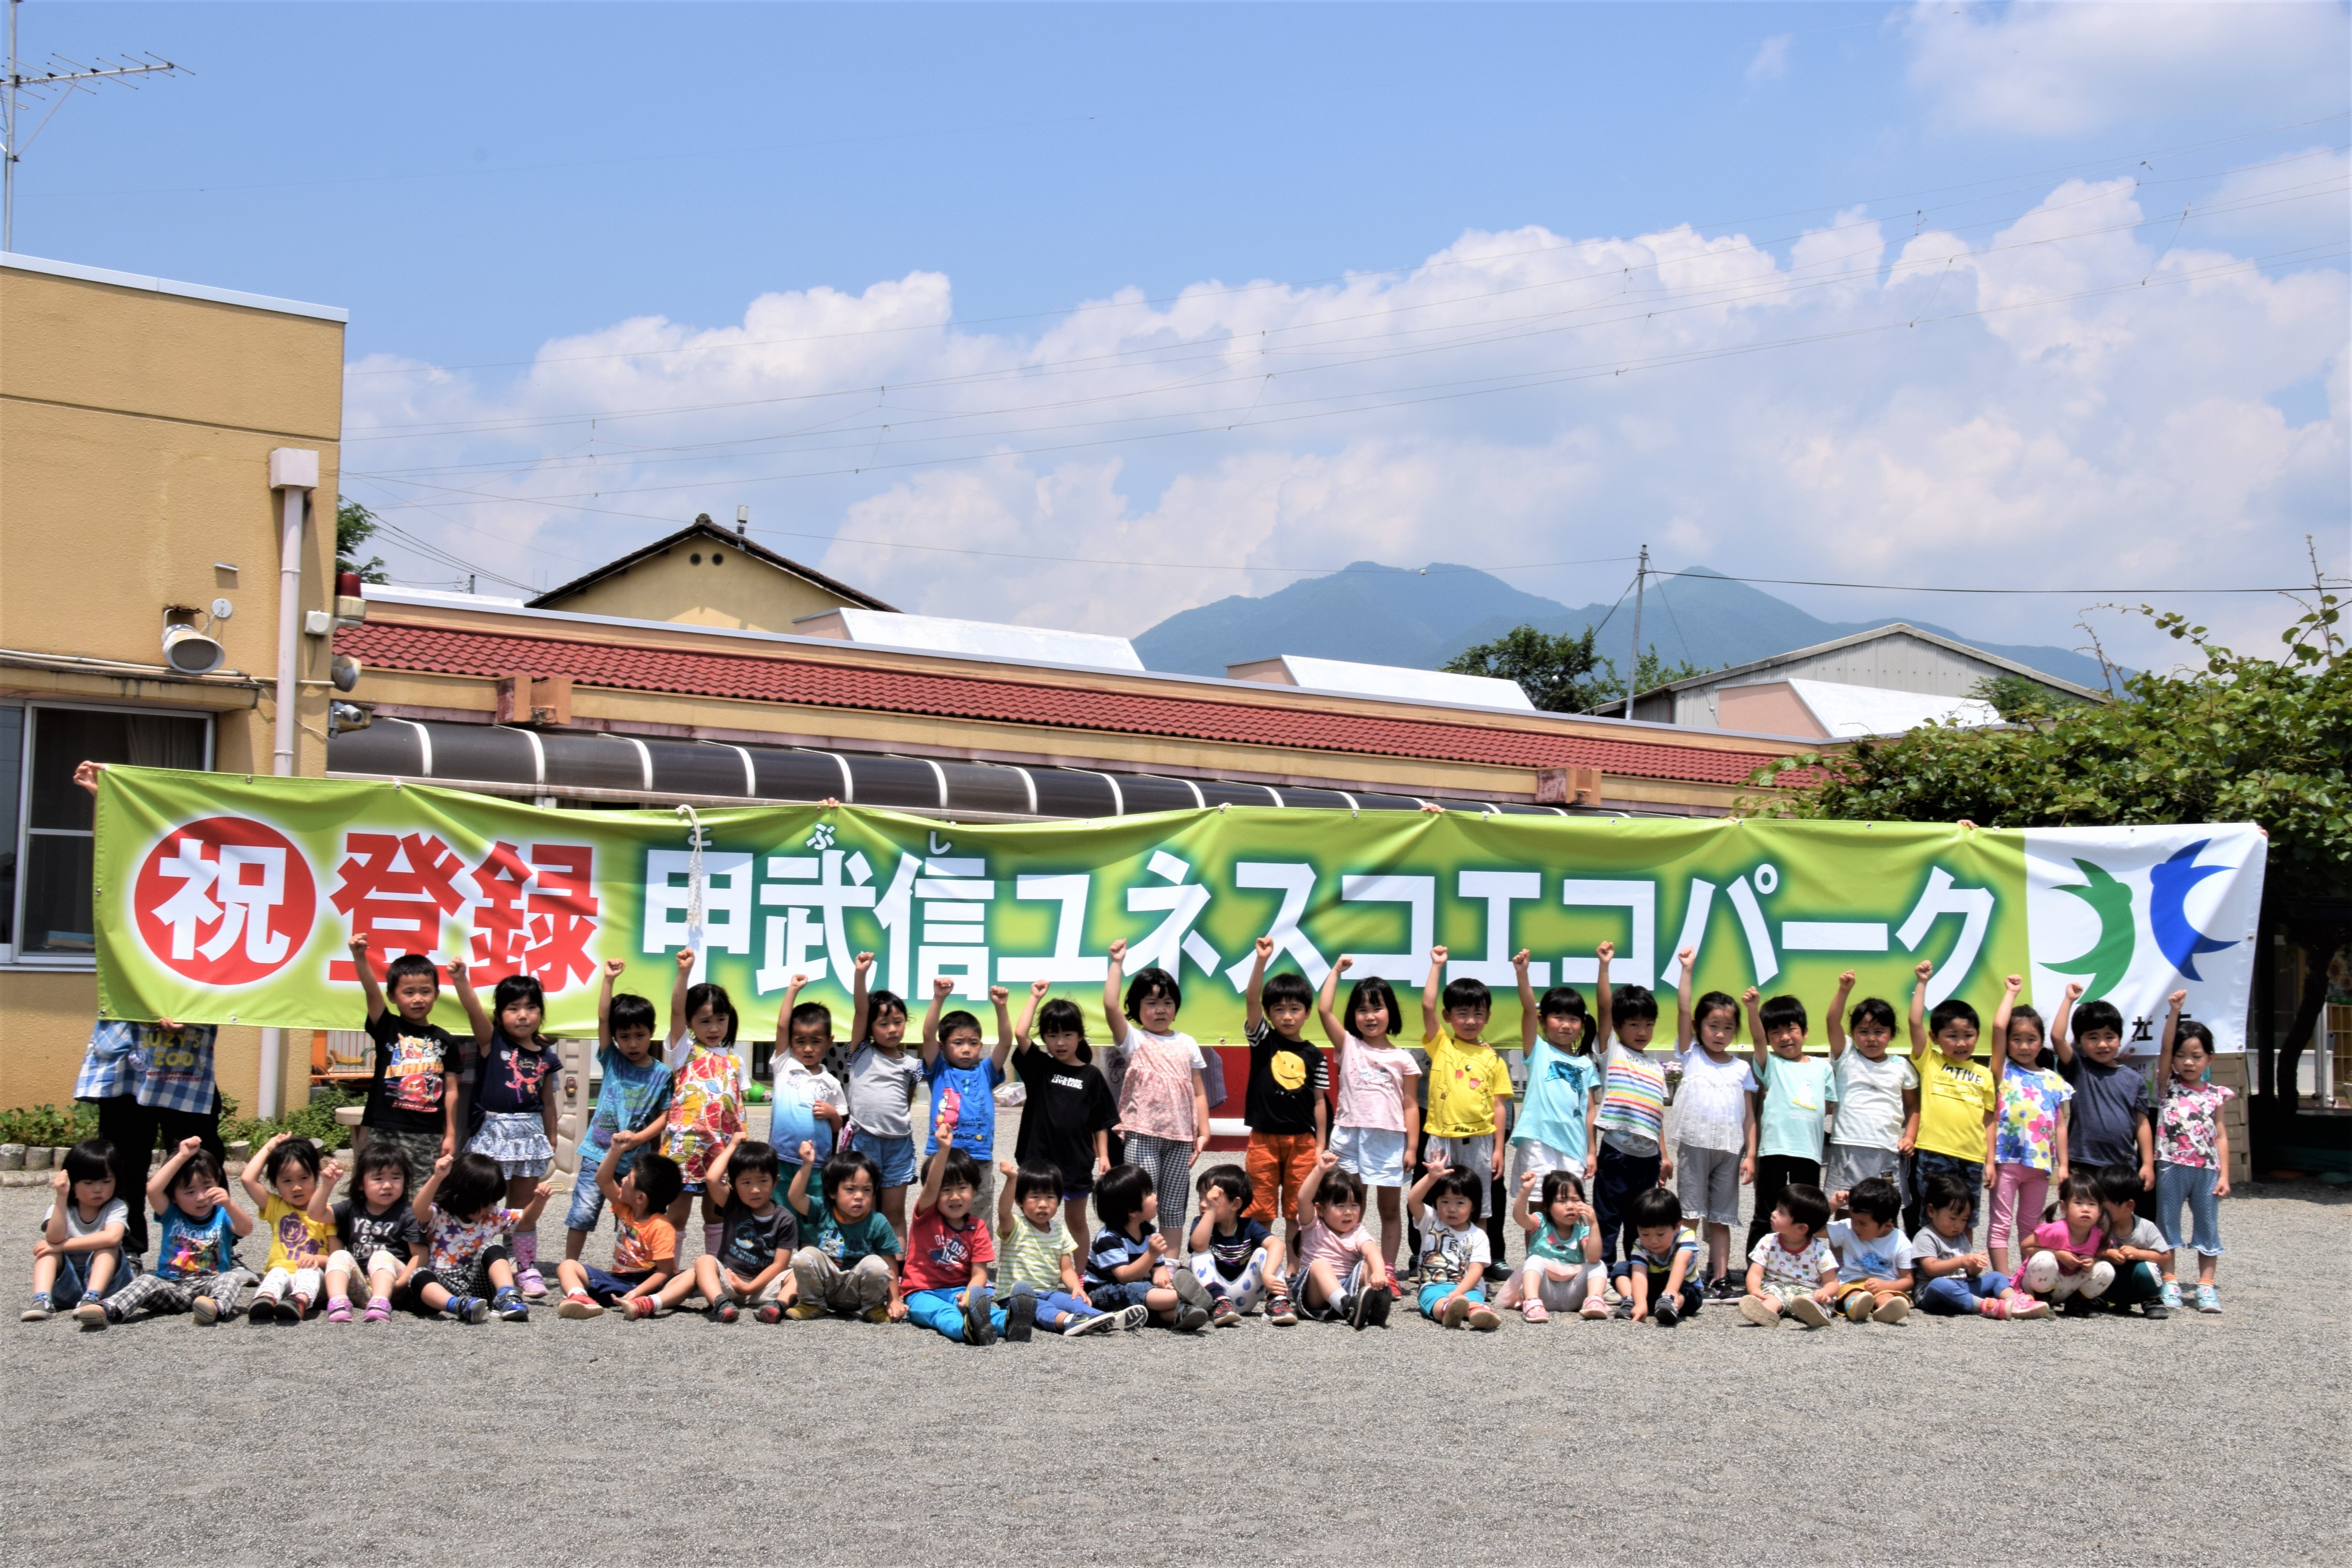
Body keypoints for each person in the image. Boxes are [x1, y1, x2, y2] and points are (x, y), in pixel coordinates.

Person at [70, 763, 226, 1261]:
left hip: (187, 1053)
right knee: (125, 1155)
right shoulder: (137, 882)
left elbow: (241, 966)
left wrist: (193, 1005)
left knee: (199, 1155)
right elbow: (113, 864)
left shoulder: (226, 887)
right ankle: (127, 1246)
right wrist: (105, 800)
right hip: (129, 1050)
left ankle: (209, 1244)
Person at [72, 1015, 223, 1262]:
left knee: (200, 1160)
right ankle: (124, 1251)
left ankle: (215, 1248)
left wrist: (192, 1013)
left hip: (188, 1053)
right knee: (122, 1161)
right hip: (127, 1052)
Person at [1101, 941, 1214, 1263]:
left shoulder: (1187, 1042)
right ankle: (1138, 1262)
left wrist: (1203, 1131)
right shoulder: (1134, 1039)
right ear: (1137, 1008)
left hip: (1180, 1139)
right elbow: (1110, 1006)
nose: (1160, 1010)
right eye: (1151, 1003)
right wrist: (1117, 964)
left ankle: (1173, 1265)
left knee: (1174, 1204)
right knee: (1139, 1202)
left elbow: (1199, 1091)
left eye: (1167, 1002)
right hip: (1142, 1136)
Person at [454, 971, 563, 1299]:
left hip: (530, 1134)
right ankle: (475, 1259)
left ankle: (524, 1266)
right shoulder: (493, 1042)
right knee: (483, 1200)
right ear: (500, 1015)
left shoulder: (546, 1056)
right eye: (513, 1008)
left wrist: (552, 1137)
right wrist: (461, 980)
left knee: (522, 1206)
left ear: (540, 1014)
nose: (523, 1015)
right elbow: (473, 1008)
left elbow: (547, 1101)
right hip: (492, 1132)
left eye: (531, 1008)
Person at [1316, 955, 1421, 1272]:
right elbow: (1323, 1010)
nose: (1370, 1016)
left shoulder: (1404, 1059)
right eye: (1362, 1010)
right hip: (1349, 1135)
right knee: (1349, 1206)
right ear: (1353, 1016)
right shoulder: (1348, 1045)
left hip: (1389, 1140)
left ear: (1391, 1012)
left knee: (1389, 1210)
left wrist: (1413, 1147)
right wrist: (1335, 972)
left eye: (1377, 1008)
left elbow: (1411, 1105)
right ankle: (1346, 1266)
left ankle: (1386, 1270)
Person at [564, 959, 671, 1266]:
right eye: (625, 1037)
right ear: (616, 1037)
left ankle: (628, 1266)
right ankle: (570, 1263)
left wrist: (638, 1139)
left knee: (631, 1216)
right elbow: (602, 1019)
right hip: (598, 1153)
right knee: (583, 1210)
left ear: (652, 1032)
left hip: (635, 1164)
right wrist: (608, 980)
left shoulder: (662, 1073)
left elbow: (665, 1117)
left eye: (640, 1035)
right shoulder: (612, 1060)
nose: (633, 1043)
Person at [1417, 945, 1513, 1269]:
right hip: (1441, 1139)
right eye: (1462, 1013)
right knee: (1437, 1199)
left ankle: (1477, 1265)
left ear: (1487, 1017)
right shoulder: (1442, 1045)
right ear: (1448, 1017)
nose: (1470, 1021)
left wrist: (1499, 1148)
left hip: (1481, 1141)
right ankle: (1432, 1260)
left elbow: (1500, 1106)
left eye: (1478, 1014)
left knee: (1480, 1205)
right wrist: (1437, 965)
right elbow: (1428, 1005)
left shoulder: (1493, 1058)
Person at [1670, 950, 1755, 1298]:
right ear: (1699, 1028)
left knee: (1721, 1218)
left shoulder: (1742, 1069)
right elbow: (1683, 1010)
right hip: (1694, 1144)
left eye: (1728, 1028)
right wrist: (1687, 971)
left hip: (1730, 1151)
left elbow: (1749, 1115)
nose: (1720, 1034)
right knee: (1689, 1215)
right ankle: (1685, 1274)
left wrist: (1751, 1154)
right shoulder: (1690, 1056)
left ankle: (1721, 1278)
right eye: (1713, 1026)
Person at [1239, 936, 1330, 1259]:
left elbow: (1320, 1102)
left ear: (1307, 1013)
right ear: (1269, 1013)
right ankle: (1258, 1268)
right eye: (1279, 1009)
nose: (1287, 1016)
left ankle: (1293, 1268)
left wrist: (1321, 1145)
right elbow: (1251, 1000)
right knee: (1260, 1209)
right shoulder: (1263, 1041)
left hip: (1303, 1142)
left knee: (1297, 1211)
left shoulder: (1316, 1055)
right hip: (1264, 1138)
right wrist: (1261, 960)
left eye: (1295, 1009)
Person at [100, 1137, 256, 1325]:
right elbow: (153, 1190)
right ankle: (110, 1309)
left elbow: (246, 1228)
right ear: (173, 1196)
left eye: (208, 1187)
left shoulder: (222, 1214)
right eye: (190, 1192)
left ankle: (217, 1308)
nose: (201, 1197)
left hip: (208, 1288)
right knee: (146, 1281)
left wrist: (229, 1204)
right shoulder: (171, 1213)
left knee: (231, 1278)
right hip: (172, 1286)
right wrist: (182, 1156)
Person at [1009, 980, 1117, 1250]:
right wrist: (1034, 997)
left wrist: (1103, 1155)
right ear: (1044, 1037)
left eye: (1068, 1035)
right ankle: (1034, 1272)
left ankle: (1079, 1277)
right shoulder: (1040, 1067)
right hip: (1037, 1159)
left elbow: (1101, 1121)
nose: (1060, 1042)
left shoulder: (1091, 1076)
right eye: (1053, 1035)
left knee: (1076, 1222)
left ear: (1079, 1036)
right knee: (1034, 1218)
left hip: (1075, 1162)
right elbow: (1021, 1034)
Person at [347, 932, 462, 1184]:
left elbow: (451, 1091)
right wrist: (359, 956)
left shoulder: (446, 1041)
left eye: (425, 991)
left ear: (437, 994)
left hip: (428, 1132)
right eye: (409, 992)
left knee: (420, 1197)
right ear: (392, 997)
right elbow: (370, 991)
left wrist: (451, 1133)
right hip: (384, 1129)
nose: (418, 999)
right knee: (380, 1191)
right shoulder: (387, 1026)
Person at [1508, 955, 1601, 1251]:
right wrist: (1522, 973)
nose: (1566, 1025)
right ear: (1543, 1020)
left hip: (1573, 1146)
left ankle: (1573, 1266)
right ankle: (1535, 1268)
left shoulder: (1586, 1065)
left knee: (1573, 1209)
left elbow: (1590, 1111)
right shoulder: (1539, 1050)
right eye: (1558, 1017)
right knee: (1538, 1209)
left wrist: (1592, 1151)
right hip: (1538, 1139)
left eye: (1573, 1019)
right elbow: (1526, 1008)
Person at [659, 949, 748, 1258]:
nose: (714, 1028)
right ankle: (668, 1269)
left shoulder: (736, 1059)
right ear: (691, 1022)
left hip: (722, 1147)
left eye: (720, 1020)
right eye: (705, 1020)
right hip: (686, 1144)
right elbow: (675, 1011)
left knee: (716, 1212)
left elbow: (740, 1102)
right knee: (679, 1212)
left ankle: (716, 1269)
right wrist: (683, 973)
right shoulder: (683, 1050)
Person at [1590, 940, 1671, 1269]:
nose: (1643, 1031)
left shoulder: (1655, 1067)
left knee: (1640, 1223)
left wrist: (1665, 1155)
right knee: (1608, 1217)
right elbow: (1604, 1009)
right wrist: (1605, 966)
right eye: (1634, 1024)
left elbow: (1657, 1117)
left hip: (1648, 1158)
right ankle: (1604, 1275)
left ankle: (1634, 1272)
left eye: (1648, 1024)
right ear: (1620, 1027)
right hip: (1616, 1152)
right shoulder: (1613, 1052)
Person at [2149, 991, 2231, 1314]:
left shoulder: (2217, 1095)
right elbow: (2166, 1048)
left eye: (2197, 1056)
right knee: (2167, 1224)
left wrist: (2225, 1174)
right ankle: (2170, 1280)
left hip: (2207, 1169)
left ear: (2210, 1058)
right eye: (2182, 1055)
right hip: (2171, 1164)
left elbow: (2222, 1135)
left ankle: (2206, 1288)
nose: (2188, 1062)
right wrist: (2174, 1013)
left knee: (2208, 1226)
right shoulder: (2168, 1085)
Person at [1984, 973, 2071, 1275]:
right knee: (2001, 1223)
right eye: (2016, 1039)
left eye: (2031, 1039)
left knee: (2031, 1226)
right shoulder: (2002, 1069)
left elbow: (2060, 1125)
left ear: (2041, 1042)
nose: (2024, 1046)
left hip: (2039, 1166)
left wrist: (2063, 1165)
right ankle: (2002, 1279)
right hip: (2006, 1161)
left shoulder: (2053, 1080)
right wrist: (2011, 993)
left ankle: (2026, 1278)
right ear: (2007, 1042)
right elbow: (1997, 1026)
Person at [1904, 959, 1996, 1238]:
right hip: (1934, 1152)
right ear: (1935, 1037)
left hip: (1972, 1158)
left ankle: (1963, 1270)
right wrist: (1922, 983)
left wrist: (1990, 1161)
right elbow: (1914, 1022)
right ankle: (1926, 1274)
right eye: (1952, 1036)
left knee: (1965, 1220)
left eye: (1968, 1035)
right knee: (1931, 1216)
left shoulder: (1985, 1074)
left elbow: (1990, 1120)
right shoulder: (1929, 1061)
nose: (1961, 1043)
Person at [900, 1111, 1009, 1346]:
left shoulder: (977, 1226)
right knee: (944, 1314)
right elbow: (931, 1188)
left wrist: (970, 1293)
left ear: (975, 1190)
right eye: (946, 1190)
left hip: (959, 1290)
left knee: (988, 1310)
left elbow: (980, 1272)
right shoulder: (926, 1215)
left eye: (962, 1188)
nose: (955, 1196)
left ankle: (1011, 1322)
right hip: (922, 1293)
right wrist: (943, 1151)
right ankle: (966, 1329)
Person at [1742, 987, 1835, 1261]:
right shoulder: (1771, 1064)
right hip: (1773, 1150)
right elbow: (1757, 1038)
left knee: (1805, 1215)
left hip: (1808, 1152)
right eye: (1776, 1032)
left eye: (1791, 1029)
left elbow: (1828, 1104)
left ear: (1805, 1031)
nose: (1784, 1037)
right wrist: (1752, 1008)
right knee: (1767, 1213)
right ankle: (1755, 1270)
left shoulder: (1823, 1067)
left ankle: (1801, 1268)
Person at [995, 1159, 1139, 1336]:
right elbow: (1003, 1212)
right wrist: (1011, 1180)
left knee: (1074, 1302)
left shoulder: (1060, 1232)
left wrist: (1076, 1288)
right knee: (1042, 1308)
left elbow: (1066, 1269)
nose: (1043, 1204)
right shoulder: (1016, 1226)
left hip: (1049, 1292)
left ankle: (1106, 1318)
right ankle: (1069, 1321)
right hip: (1015, 1297)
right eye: (1035, 1197)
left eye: (1050, 1197)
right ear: (1019, 1201)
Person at [663, 1133, 794, 1322]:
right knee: (704, 1261)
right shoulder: (733, 1204)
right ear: (734, 1185)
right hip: (729, 1281)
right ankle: (721, 1303)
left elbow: (779, 1264)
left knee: (798, 1272)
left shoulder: (785, 1219)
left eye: (763, 1181)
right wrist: (732, 1146)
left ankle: (777, 1307)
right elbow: (712, 1179)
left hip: (763, 1287)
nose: (755, 1190)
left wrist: (750, 1288)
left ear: (775, 1181)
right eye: (746, 1182)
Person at [552, 1135, 683, 1321]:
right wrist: (615, 1150)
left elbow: (665, 1271)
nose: (622, 1181)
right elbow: (603, 1180)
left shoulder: (661, 1226)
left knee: (690, 1277)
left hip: (652, 1285)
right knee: (568, 1265)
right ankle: (580, 1298)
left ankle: (647, 1304)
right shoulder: (625, 1208)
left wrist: (638, 1293)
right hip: (620, 1281)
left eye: (628, 1179)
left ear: (640, 1198)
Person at [412, 1151, 552, 1324]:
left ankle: (507, 1296)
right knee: (419, 1275)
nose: (491, 1208)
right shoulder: (440, 1214)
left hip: (478, 1284)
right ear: (460, 1199)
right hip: (442, 1284)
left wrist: (539, 1201)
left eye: (494, 1202)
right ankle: (458, 1306)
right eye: (486, 1203)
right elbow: (419, 1210)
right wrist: (437, 1177)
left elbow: (525, 1221)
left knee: (494, 1249)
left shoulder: (491, 1217)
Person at [920, 977, 1018, 1223]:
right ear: (943, 1048)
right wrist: (939, 998)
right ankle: (941, 1259)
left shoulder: (986, 1071)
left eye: (973, 1043)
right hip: (943, 1154)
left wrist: (1001, 1007)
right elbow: (927, 1035)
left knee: (979, 1212)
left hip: (979, 1156)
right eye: (958, 1043)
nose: (967, 1049)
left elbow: (1006, 1042)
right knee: (939, 1209)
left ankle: (977, 1259)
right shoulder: (939, 1070)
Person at [1823, 972, 1918, 1220]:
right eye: (1863, 1031)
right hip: (1848, 1147)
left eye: (1879, 1031)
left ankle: (1887, 1260)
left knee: (1886, 1214)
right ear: (1854, 1033)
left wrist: (1910, 1137)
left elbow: (1913, 1106)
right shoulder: (1846, 1055)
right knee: (1844, 1211)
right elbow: (1833, 1021)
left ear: (1892, 1034)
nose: (1871, 1038)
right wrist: (1844, 991)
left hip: (1886, 1149)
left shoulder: (1901, 1066)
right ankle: (1843, 1261)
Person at [2048, 983, 2155, 1195]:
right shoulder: (2079, 1068)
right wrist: (2069, 1000)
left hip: (2122, 1165)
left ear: (2119, 1038)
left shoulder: (2134, 1081)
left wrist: (2148, 1164)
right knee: (2082, 1219)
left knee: (2116, 1221)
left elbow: (2143, 1124)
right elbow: (2057, 1037)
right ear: (2079, 1041)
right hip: (2082, 1161)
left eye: (2109, 1037)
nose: (2103, 1044)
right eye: (2093, 1037)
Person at [846, 951, 925, 1238]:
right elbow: (860, 1010)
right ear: (870, 1028)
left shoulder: (913, 1065)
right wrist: (861, 975)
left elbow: (907, 1098)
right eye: (883, 1024)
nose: (892, 1030)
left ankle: (897, 1274)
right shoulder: (860, 1051)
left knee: (893, 1213)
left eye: (898, 1022)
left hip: (899, 1144)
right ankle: (862, 1267)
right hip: (865, 1138)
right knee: (861, 1208)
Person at [1083, 1163, 1209, 1330]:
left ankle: (1184, 1312)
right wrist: (1151, 1254)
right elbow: (1125, 1277)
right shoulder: (1109, 1239)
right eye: (1149, 1194)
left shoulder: (1149, 1230)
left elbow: (1159, 1266)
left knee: (1150, 1294)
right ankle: (1184, 1299)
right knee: (1139, 1290)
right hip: (1103, 1293)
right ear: (1132, 1210)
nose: (1155, 1196)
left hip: (1136, 1290)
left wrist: (1162, 1277)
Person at [786, 1143, 904, 1321]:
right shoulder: (822, 1209)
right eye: (850, 1189)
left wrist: (894, 1300)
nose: (859, 1196)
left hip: (857, 1291)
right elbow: (795, 1198)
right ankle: (812, 1304)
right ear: (833, 1192)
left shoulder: (877, 1222)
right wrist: (807, 1165)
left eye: (867, 1190)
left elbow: (890, 1264)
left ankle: (873, 1308)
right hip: (826, 1285)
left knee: (877, 1264)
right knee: (804, 1256)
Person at [1911, 1173, 2046, 1319]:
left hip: (1963, 1286)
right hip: (1934, 1293)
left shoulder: (1961, 1236)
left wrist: (1974, 1267)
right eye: (1953, 1218)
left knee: (1997, 1277)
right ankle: (1987, 1307)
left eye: (1964, 1220)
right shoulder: (1926, 1237)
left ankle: (2015, 1302)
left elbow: (1970, 1275)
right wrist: (1962, 1261)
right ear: (1932, 1211)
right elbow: (1931, 1269)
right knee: (1940, 1285)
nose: (1959, 1225)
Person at [239, 1133, 341, 1323]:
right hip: (284, 1279)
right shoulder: (277, 1207)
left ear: (316, 1176)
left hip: (315, 1285)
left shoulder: (327, 1213)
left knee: (309, 1272)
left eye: (304, 1178)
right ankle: (265, 1300)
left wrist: (317, 1259)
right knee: (277, 1272)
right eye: (287, 1181)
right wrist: (271, 1146)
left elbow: (337, 1259)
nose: (297, 1187)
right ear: (275, 1184)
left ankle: (299, 1303)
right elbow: (248, 1179)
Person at [323, 1139, 426, 1325]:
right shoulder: (351, 1208)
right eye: (378, 1179)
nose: (387, 1185)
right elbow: (317, 1214)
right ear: (361, 1184)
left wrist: (400, 1285)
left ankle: (381, 1302)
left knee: (381, 1256)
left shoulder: (407, 1214)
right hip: (362, 1287)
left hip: (393, 1285)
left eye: (396, 1177)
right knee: (339, 1255)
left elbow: (420, 1255)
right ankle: (338, 1302)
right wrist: (327, 1187)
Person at [25, 1139, 128, 1325]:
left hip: (109, 1287)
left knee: (107, 1248)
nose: (98, 1189)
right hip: (68, 1286)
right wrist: (61, 1197)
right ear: (72, 1183)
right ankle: (42, 1300)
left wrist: (60, 1246)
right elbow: (54, 1237)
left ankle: (92, 1298)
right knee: (47, 1254)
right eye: (89, 1183)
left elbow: (112, 1237)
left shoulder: (116, 1207)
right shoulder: (61, 1208)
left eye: (106, 1181)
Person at [1289, 1152, 1394, 1328]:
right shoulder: (1313, 1224)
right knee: (1320, 1265)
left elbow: (1373, 1251)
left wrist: (1379, 1273)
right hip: (1314, 1296)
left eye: (1354, 1206)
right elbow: (1303, 1198)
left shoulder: (1357, 1231)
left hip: (1349, 1289)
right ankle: (1347, 1307)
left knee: (1369, 1265)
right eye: (1340, 1206)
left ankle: (1376, 1307)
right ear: (1321, 1210)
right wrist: (1320, 1170)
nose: (1349, 1212)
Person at [1492, 1168, 1606, 1323]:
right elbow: (1520, 1217)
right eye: (1562, 1201)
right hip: (1544, 1293)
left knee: (1598, 1265)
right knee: (1534, 1260)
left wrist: (1594, 1225)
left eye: (1576, 1200)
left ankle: (1594, 1301)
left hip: (1574, 1295)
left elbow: (1593, 1257)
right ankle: (1531, 1302)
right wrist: (1525, 1191)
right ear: (1546, 1206)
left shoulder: (1583, 1232)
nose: (1570, 1206)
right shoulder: (1541, 1224)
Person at [1187, 1164, 1292, 1326]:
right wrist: (1212, 1210)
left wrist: (1268, 1275)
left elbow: (1277, 1245)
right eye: (1202, 1198)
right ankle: (1220, 1303)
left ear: (1235, 1204)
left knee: (1264, 1253)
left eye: (1212, 1200)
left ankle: (1277, 1302)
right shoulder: (1201, 1224)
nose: (1203, 1204)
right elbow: (1199, 1246)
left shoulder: (1248, 1226)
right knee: (1200, 1255)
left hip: (1245, 1294)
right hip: (1214, 1296)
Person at [774, 973, 851, 1191]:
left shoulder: (831, 1082)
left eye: (816, 1042)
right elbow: (782, 1027)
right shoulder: (784, 1066)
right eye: (800, 1042)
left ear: (829, 1042)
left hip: (818, 1161)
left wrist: (832, 1114)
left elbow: (839, 1126)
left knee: (813, 1211)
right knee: (782, 1209)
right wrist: (792, 990)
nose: (808, 1049)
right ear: (790, 1041)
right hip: (782, 1157)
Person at [1406, 1152, 1500, 1329]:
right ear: (1436, 1202)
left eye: (1460, 1203)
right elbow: (1413, 1200)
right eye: (1445, 1202)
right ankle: (1448, 1312)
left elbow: (1475, 1271)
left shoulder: (1478, 1235)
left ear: (1474, 1206)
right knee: (1436, 1301)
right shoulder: (1431, 1220)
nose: (1452, 1209)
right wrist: (1431, 1178)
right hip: (1433, 1285)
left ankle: (1479, 1313)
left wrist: (1458, 1293)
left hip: (1466, 1288)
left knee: (1473, 1300)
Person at [1738, 1182, 1837, 1329]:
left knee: (1812, 1301)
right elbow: (1755, 1272)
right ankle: (1766, 1312)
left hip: (1808, 1291)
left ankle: (1815, 1315)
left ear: (1801, 1228)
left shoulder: (1820, 1250)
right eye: (1777, 1208)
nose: (1774, 1213)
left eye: (1781, 1212)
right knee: (1771, 1297)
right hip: (1776, 1286)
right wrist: (1754, 1290)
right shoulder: (1768, 1242)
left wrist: (1824, 1292)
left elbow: (1833, 1283)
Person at [1822, 1174, 1914, 1324]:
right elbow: (1815, 1230)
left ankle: (1887, 1310)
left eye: (1863, 1224)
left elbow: (1908, 1281)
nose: (1856, 1227)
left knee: (1887, 1296)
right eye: (1854, 1220)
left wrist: (1886, 1286)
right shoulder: (1848, 1228)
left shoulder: (1901, 1243)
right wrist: (1832, 1207)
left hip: (1886, 1284)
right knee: (1852, 1294)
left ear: (1887, 1226)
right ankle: (1856, 1308)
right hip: (1851, 1281)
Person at [2017, 1171, 2112, 1310]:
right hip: (2038, 1285)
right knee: (2045, 1258)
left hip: (2067, 1287)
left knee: (2107, 1270)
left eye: (2092, 1204)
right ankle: (2042, 1301)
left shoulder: (2098, 1236)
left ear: (2100, 1211)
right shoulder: (2056, 1231)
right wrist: (2058, 1254)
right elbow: (2025, 1246)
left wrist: (2093, 1260)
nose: (2085, 1209)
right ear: (2064, 1207)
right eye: (2078, 1203)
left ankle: (2076, 1303)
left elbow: (2100, 1254)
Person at [1612, 1185, 1702, 1327]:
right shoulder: (1639, 1245)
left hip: (1681, 1286)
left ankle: (1671, 1305)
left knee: (1690, 1294)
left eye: (1660, 1234)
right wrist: (1641, 1303)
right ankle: (1631, 1300)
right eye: (1645, 1234)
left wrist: (1671, 1292)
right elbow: (1639, 1276)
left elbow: (1681, 1264)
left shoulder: (1685, 1236)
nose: (1653, 1241)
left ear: (1677, 1227)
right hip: (1651, 1287)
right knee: (1621, 1269)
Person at [2092, 1169, 2172, 1319]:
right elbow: (2084, 1249)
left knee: (2146, 1268)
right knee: (2094, 1263)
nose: (2099, 1207)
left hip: (2136, 1285)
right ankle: (2098, 1298)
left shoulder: (2146, 1227)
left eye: (2104, 1202)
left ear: (2129, 1206)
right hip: (2106, 1283)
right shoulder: (2097, 1225)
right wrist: (2106, 1254)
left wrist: (2139, 1254)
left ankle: (2152, 1301)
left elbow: (2165, 1256)